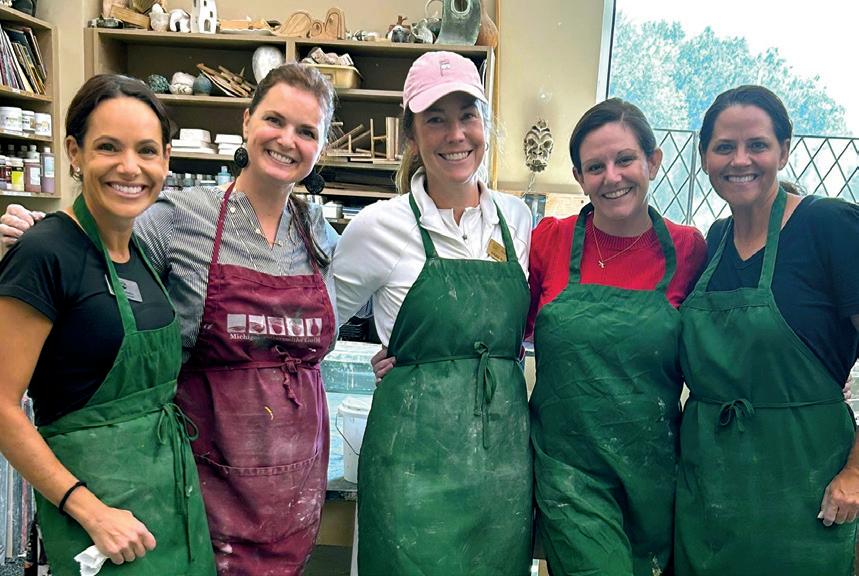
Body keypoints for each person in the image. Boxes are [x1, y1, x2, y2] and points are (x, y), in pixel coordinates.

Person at [1, 63, 339, 575]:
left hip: (295, 489)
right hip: (200, 481)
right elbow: (95, 244)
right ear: (246, 122)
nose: (287, 140)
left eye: (307, 131)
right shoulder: (175, 219)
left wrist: (397, 348)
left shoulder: (318, 231)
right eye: (274, 120)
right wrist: (32, 232)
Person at [0, 75, 216, 575]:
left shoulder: (140, 253)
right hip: (100, 526)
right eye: (108, 147)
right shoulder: (44, 254)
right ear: (74, 153)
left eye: (147, 150)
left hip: (172, 506)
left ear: (166, 160)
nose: (130, 167)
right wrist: (90, 511)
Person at [333, 50, 534, 575]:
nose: (456, 135)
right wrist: (392, 359)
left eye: (467, 115)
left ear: (484, 124)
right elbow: (315, 324)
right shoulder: (380, 226)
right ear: (411, 135)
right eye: (436, 120)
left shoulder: (516, 219)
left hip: (502, 467)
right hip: (411, 467)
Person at [674, 85, 859, 575]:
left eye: (757, 144)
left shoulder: (830, 226)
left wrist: (857, 471)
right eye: (724, 147)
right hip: (707, 493)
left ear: (784, 150)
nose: (740, 160)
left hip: (802, 493)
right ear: (705, 158)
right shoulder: (714, 242)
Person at [526, 98, 706, 575]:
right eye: (595, 167)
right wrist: (415, 353)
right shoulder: (549, 239)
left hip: (654, 472)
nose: (612, 177)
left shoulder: (689, 248)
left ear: (653, 161)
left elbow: (713, 349)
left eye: (625, 159)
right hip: (570, 473)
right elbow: (505, 331)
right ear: (579, 176)